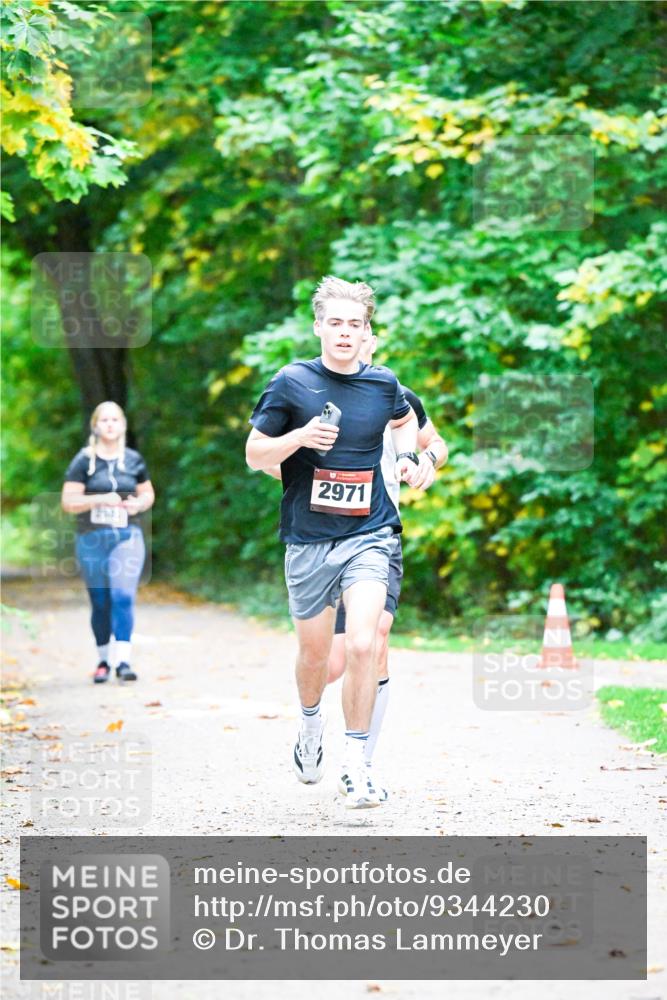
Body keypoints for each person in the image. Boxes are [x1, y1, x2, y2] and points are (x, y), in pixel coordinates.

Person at [246, 276, 420, 808]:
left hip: (370, 533)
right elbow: (255, 453)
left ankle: (356, 765)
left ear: (367, 331)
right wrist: (298, 438)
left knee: (366, 643)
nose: (345, 333)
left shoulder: (383, 384)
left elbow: (407, 419)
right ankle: (309, 724)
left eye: (355, 325)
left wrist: (411, 457)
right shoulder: (291, 382)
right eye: (336, 323)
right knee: (315, 656)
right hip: (307, 539)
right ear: (319, 326)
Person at [327, 327, 448, 800]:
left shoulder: (397, 394)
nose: (355, 344)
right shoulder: (319, 391)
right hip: (324, 537)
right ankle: (313, 723)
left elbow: (436, 443)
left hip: (379, 536)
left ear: (371, 344)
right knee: (331, 661)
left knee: (375, 636)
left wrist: (426, 463)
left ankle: (362, 761)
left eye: (363, 338)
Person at [61, 401, 155, 684]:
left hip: (127, 536)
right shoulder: (83, 460)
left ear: (123, 425)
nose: (110, 424)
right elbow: (69, 502)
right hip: (92, 538)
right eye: (104, 420)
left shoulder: (133, 460)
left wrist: (138, 504)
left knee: (123, 596)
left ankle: (123, 661)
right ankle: (103, 660)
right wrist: (99, 499)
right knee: (100, 600)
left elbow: (148, 494)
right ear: (96, 425)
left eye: (115, 419)